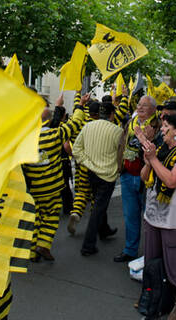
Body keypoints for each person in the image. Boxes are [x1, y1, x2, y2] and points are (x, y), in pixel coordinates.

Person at [136, 113, 176, 320]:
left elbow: (171, 180)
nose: (162, 130)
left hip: (175, 219)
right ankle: (154, 298)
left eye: (166, 126)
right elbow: (144, 177)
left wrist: (153, 159)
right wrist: (148, 161)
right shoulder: (161, 150)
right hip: (153, 215)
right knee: (153, 259)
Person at [23, 93, 87, 261]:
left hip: (34, 188)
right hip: (52, 189)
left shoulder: (25, 139)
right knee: (51, 215)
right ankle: (43, 245)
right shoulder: (56, 135)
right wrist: (80, 104)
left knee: (34, 218)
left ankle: (30, 252)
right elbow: (75, 123)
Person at [68, 86, 129, 235]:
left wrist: (78, 94)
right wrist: (124, 96)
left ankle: (76, 212)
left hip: (82, 164)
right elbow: (120, 112)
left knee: (82, 192)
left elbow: (78, 109)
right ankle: (98, 229)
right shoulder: (104, 124)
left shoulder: (81, 121)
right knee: (97, 200)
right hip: (99, 166)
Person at [72, 102, 123, 256]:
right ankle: (88, 245)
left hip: (91, 172)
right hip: (107, 174)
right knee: (98, 208)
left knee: (99, 204)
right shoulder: (117, 131)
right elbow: (121, 154)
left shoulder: (88, 126)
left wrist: (87, 162)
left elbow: (76, 149)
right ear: (111, 114)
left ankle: (104, 230)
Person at [114, 95, 159, 262]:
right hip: (127, 174)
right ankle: (130, 250)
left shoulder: (158, 125)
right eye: (139, 104)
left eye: (145, 106)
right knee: (130, 215)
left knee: (149, 217)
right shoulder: (130, 123)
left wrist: (150, 137)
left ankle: (151, 253)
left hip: (146, 178)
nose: (140, 108)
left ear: (153, 109)